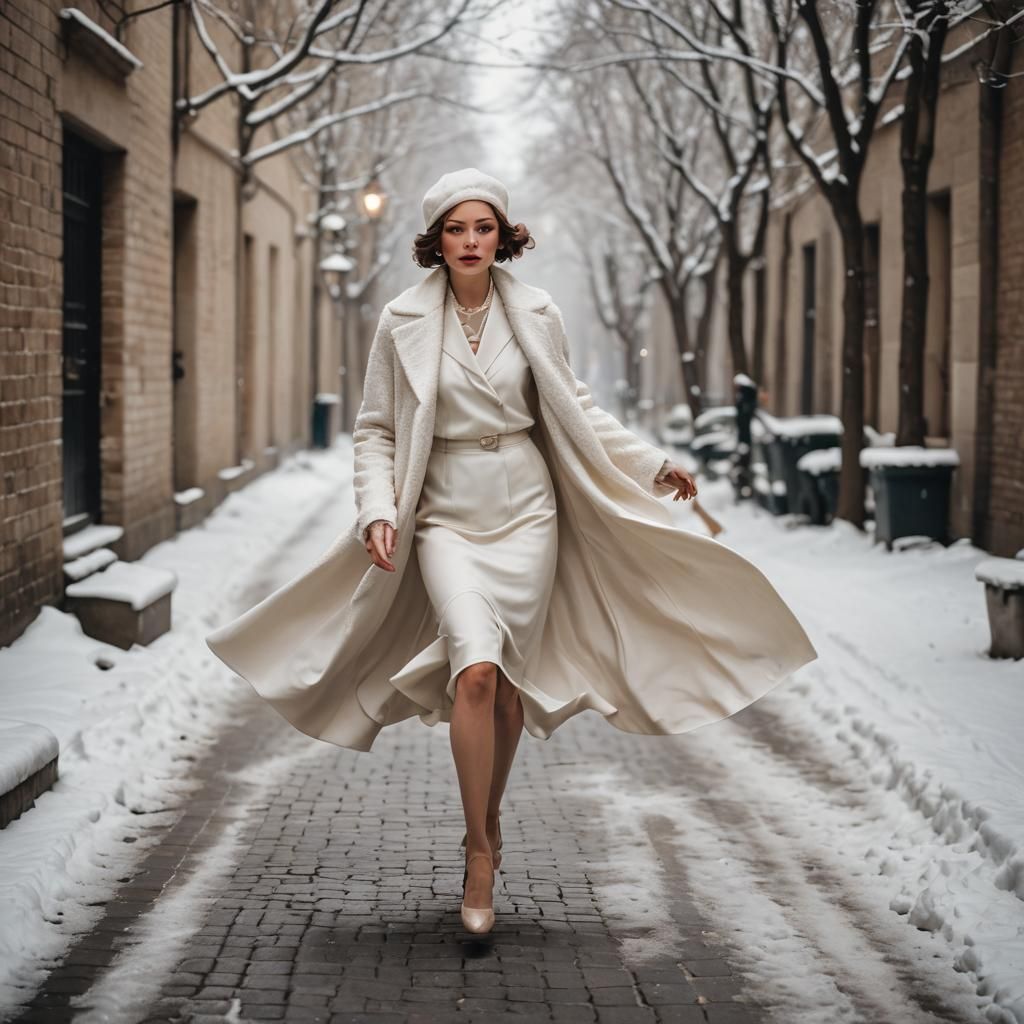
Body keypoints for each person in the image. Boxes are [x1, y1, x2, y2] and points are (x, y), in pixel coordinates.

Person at [204, 167, 818, 939]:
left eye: (483, 227)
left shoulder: (536, 311)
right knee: (476, 669)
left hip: (528, 508)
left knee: (510, 690)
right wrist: (376, 508)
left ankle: (487, 822)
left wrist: (650, 465)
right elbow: (375, 428)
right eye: (456, 230)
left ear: (503, 234)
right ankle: (478, 849)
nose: (470, 242)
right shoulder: (400, 319)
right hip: (445, 513)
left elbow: (576, 405)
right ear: (437, 241)